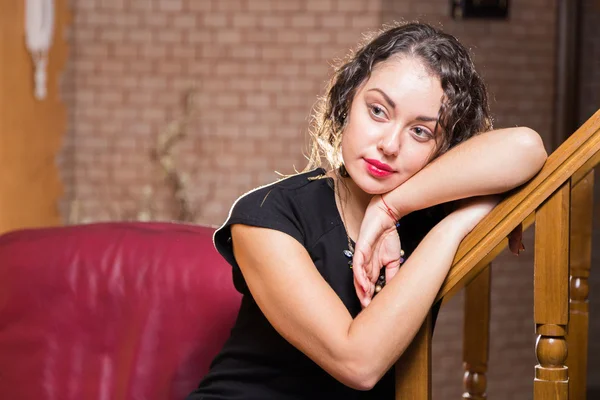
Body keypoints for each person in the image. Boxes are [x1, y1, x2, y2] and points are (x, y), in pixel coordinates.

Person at [187, 22, 547, 399]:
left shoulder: (422, 214)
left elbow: (526, 147)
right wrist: (456, 226)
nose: (390, 145)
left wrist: (390, 208)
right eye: (378, 111)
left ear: (443, 149)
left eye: (421, 132)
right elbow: (357, 363)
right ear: (346, 102)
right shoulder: (267, 216)